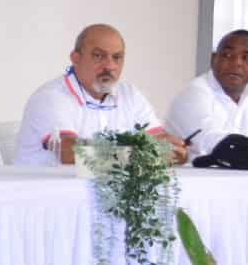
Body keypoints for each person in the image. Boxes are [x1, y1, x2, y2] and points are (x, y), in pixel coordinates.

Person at [15, 24, 187, 166]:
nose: (110, 66)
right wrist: (139, 155)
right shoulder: (51, 97)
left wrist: (174, 149)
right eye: (99, 56)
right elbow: (71, 154)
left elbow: (158, 140)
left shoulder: (130, 95)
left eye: (117, 57)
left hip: (106, 196)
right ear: (75, 58)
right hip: (49, 197)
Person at [166, 29, 248, 160]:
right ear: (213, 60)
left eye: (246, 58)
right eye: (227, 55)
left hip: (245, 177)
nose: (237, 63)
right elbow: (215, 144)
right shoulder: (194, 94)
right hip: (197, 178)